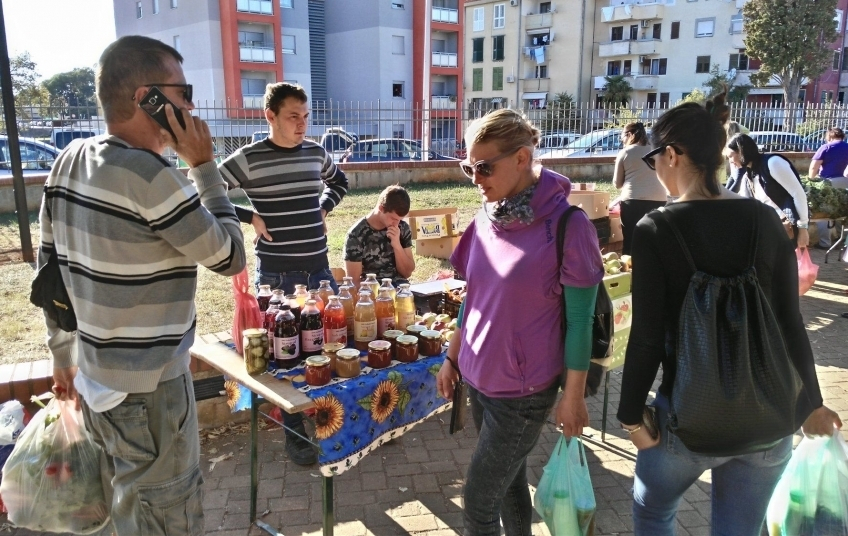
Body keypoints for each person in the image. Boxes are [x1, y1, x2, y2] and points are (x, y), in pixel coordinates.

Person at [40, 35, 247, 535]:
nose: (192, 105)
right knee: (164, 515)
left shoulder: (69, 159)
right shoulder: (152, 177)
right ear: (144, 98)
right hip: (149, 393)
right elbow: (230, 255)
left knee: (126, 512)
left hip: (96, 380)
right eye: (183, 91)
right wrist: (202, 165)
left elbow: (50, 274)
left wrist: (62, 356)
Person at [616, 95, 842, 536]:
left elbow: (645, 337)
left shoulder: (656, 229)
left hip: (686, 422)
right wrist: (810, 403)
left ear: (673, 155)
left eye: (654, 156)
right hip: (770, 420)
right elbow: (790, 321)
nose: (654, 166)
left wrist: (629, 418)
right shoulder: (764, 219)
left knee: (653, 512)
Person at [436, 108, 604, 536]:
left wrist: (574, 395)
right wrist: (452, 359)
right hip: (478, 377)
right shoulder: (484, 219)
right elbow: (472, 296)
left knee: (477, 503)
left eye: (485, 167)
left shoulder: (569, 225)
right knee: (508, 483)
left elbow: (581, 321)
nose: (476, 178)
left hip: (524, 392)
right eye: (468, 167)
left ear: (523, 158)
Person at [219, 82, 348, 465]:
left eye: (305, 116)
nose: (302, 124)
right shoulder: (249, 158)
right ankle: (295, 430)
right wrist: (249, 216)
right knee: (284, 360)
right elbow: (205, 190)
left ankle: (336, 421)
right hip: (276, 275)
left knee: (331, 347)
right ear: (270, 116)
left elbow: (339, 181)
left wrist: (324, 208)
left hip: (319, 271)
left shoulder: (315, 152)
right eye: (293, 117)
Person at [724, 133, 810, 248]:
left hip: (785, 227)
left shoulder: (773, 163)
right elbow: (744, 200)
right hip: (768, 228)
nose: (730, 161)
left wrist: (803, 228)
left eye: (730, 156)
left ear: (741, 151)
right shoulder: (748, 173)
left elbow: (798, 193)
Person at [344, 184, 415, 286]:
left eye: (400, 220)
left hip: (400, 289)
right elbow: (354, 282)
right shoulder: (356, 235)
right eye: (394, 219)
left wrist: (397, 246)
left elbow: (407, 273)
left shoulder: (402, 228)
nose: (397, 224)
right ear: (381, 208)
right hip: (371, 291)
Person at [613, 122, 667, 254]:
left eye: (623, 137)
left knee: (631, 241)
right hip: (660, 200)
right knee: (655, 241)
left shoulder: (625, 153)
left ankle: (630, 271)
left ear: (630, 135)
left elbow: (617, 184)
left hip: (633, 203)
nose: (622, 141)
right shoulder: (656, 151)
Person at [809, 128, 848, 248]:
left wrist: (811, 180)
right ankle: (842, 241)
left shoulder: (826, 147)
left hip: (828, 183)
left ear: (829, 136)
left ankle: (825, 243)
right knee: (842, 210)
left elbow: (814, 167)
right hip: (845, 182)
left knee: (824, 211)